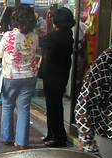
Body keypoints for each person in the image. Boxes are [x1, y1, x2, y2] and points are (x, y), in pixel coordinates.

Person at [0, 4, 38, 150]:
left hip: (11, 76)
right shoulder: (34, 36)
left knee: (8, 106)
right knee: (24, 108)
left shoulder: (8, 36)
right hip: (30, 75)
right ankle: (21, 142)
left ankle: (7, 138)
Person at [39, 8, 75, 148]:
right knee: (53, 105)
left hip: (54, 75)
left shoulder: (57, 36)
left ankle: (59, 138)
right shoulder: (68, 34)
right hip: (59, 74)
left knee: (54, 106)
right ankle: (51, 134)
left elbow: (40, 41)